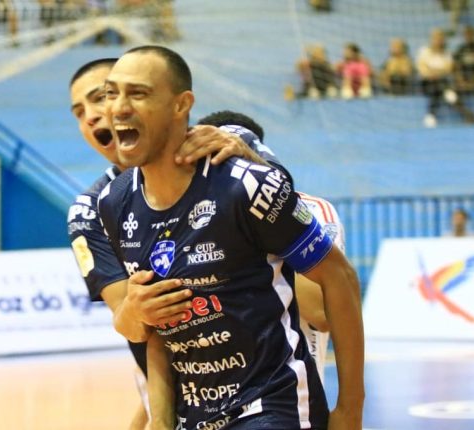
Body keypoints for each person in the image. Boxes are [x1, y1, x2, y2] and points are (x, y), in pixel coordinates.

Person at [98, 45, 364, 429]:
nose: (119, 107)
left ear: (181, 105)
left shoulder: (246, 186)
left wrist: (350, 409)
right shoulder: (115, 202)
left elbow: (340, 279)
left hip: (274, 406)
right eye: (111, 93)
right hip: (195, 415)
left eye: (137, 93)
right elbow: (152, 330)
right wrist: (159, 419)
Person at [68, 59, 275, 430]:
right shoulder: (93, 208)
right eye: (79, 112)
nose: (95, 116)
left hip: (270, 382)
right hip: (181, 389)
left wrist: (246, 152)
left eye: (104, 96)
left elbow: (291, 204)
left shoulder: (222, 143)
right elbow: (136, 326)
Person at [197, 110, 347, 384]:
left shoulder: (312, 209)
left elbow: (321, 312)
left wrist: (260, 226)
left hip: (290, 396)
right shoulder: (188, 221)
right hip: (208, 399)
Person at [417, 28, 474, 127]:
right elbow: (422, 69)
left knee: (437, 87)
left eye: (440, 39)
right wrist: (435, 73)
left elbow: (449, 69)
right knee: (439, 85)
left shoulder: (447, 53)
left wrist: (434, 71)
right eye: (436, 38)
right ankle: (462, 108)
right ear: (432, 39)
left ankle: (430, 115)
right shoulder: (424, 51)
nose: (438, 41)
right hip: (426, 82)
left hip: (441, 82)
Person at [453, 26, 474, 106]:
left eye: (471, 34)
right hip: (463, 83)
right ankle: (467, 114)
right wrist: (461, 81)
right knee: (450, 94)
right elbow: (456, 67)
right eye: (466, 35)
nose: (468, 36)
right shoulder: (460, 50)